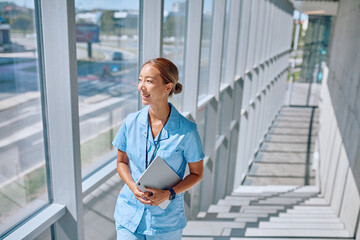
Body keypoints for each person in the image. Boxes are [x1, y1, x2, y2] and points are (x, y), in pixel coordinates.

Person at [112, 57, 205, 239]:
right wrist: (132, 187)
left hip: (165, 223)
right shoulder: (130, 122)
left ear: (168, 87)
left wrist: (169, 193)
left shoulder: (187, 131)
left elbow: (197, 173)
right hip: (129, 215)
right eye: (140, 80)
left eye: (149, 81)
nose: (141, 87)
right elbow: (121, 161)